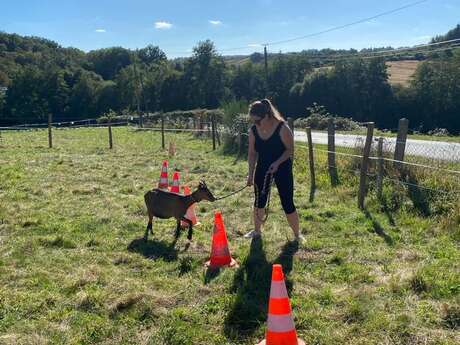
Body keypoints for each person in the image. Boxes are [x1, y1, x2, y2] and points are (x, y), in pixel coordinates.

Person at [245, 99, 303, 241]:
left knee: (287, 201)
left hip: (282, 166)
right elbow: (252, 153)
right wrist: (250, 175)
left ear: (266, 116)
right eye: (253, 121)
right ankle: (257, 231)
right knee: (259, 200)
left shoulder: (282, 128)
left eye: (257, 121)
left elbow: (290, 150)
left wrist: (277, 163)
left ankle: (297, 235)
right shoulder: (253, 131)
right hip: (263, 167)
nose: (255, 124)